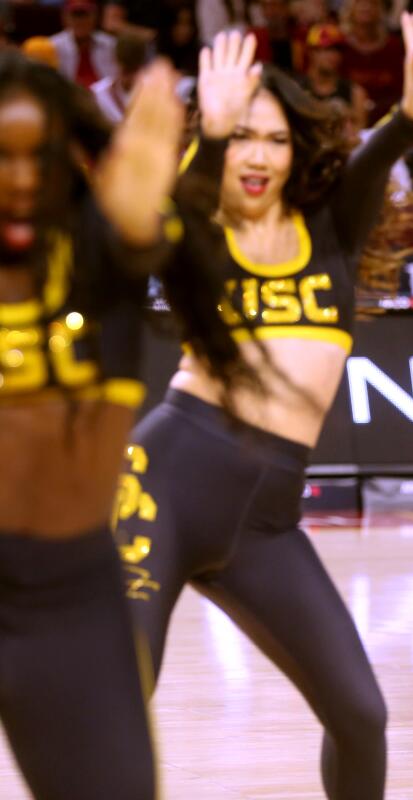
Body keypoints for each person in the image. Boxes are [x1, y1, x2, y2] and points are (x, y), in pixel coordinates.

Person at [112, 17, 413, 799]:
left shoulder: (328, 233)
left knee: (360, 714)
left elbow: (381, 157)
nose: (257, 156)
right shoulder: (200, 231)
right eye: (243, 139)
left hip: (265, 521)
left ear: (297, 151)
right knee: (119, 703)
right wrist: (213, 129)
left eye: (274, 139)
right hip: (165, 486)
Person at [0, 52, 183, 800]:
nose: (19, 179)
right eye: (1, 158)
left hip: (68, 598)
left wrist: (142, 214)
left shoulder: (101, 259)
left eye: (37, 158)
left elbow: (146, 237)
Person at [50, 0, 116, 89]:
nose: (80, 21)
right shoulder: (52, 46)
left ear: (95, 17)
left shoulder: (111, 44)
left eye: (85, 15)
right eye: (75, 15)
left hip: (103, 99)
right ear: (65, 17)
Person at [91, 32, 150, 124]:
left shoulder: (156, 95)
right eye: (125, 71)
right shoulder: (98, 94)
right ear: (114, 60)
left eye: (133, 70)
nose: (129, 78)